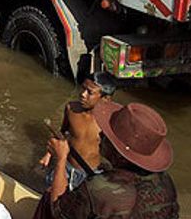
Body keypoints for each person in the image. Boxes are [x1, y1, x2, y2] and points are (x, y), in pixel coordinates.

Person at [47, 102, 179, 218]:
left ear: (119, 154)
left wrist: (61, 159)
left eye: (108, 136)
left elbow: (58, 212)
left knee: (47, 200)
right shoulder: (166, 182)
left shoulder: (96, 187)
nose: (100, 134)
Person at [39, 72, 116, 190]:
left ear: (105, 98)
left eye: (90, 92)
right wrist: (49, 154)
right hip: (67, 166)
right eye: (83, 88)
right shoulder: (71, 108)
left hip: (90, 173)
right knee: (52, 195)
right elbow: (62, 133)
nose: (83, 94)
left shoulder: (109, 122)